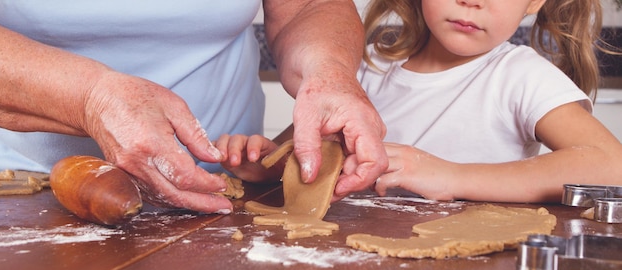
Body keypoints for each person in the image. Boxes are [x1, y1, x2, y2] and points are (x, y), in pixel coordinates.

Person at [0, 1, 388, 212]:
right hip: (20, 190)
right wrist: (90, 97)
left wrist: (330, 72)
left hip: (227, 188)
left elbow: (306, 7)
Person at [217, 0, 622, 204]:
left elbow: (610, 165)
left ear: (534, 2)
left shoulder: (519, 75)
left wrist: (451, 177)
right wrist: (265, 162)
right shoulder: (365, 69)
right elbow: (303, 154)